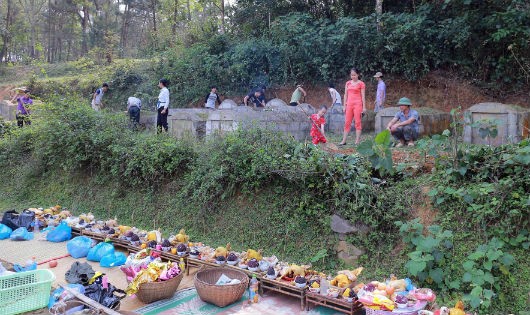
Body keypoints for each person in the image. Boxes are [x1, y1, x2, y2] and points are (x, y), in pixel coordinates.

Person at [340, 68, 366, 145]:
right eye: (352, 75)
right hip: (349, 105)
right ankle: (344, 140)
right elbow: (345, 95)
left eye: (354, 75)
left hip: (358, 104)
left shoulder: (361, 84)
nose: (353, 76)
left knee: (357, 122)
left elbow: (363, 96)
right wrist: (344, 106)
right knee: (347, 122)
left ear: (358, 75)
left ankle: (357, 141)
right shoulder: (348, 83)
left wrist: (364, 107)